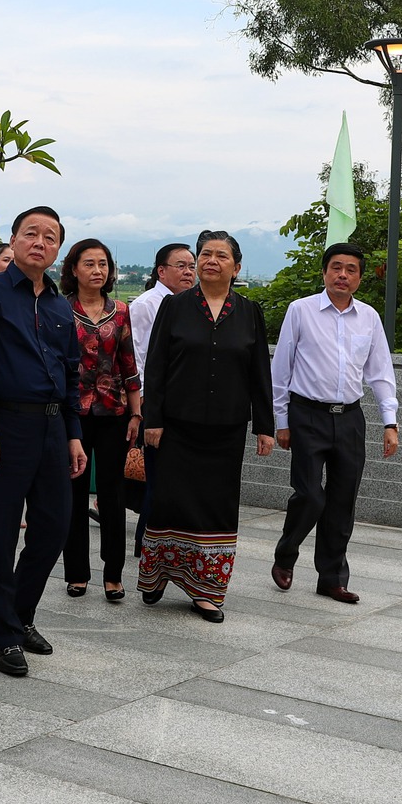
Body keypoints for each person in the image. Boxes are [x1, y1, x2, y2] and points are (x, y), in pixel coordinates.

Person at [0, 206, 86, 677]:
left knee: (54, 526)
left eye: (49, 236)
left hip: (53, 428)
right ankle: (5, 635)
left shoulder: (58, 305)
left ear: (58, 250)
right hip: (4, 426)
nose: (39, 241)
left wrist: (74, 434)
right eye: (30, 233)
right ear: (13, 240)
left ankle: (21, 613)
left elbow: (71, 376)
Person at [137, 230, 274, 623]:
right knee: (168, 501)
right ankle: (158, 577)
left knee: (216, 506)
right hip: (175, 427)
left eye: (221, 255)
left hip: (226, 430)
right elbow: (157, 366)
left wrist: (265, 425)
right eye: (205, 254)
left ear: (237, 267)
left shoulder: (249, 312)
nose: (211, 260)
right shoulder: (175, 307)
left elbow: (258, 372)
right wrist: (154, 420)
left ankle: (206, 591)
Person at [268, 242, 399, 604]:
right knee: (310, 495)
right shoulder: (301, 311)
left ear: (359, 277)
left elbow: (380, 372)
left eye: (351, 269)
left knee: (342, 502)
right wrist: (282, 420)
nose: (343, 275)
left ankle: (331, 578)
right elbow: (281, 369)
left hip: (351, 418)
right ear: (325, 272)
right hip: (307, 415)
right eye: (336, 267)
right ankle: (286, 553)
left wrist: (390, 421)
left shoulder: (369, 318)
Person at [60, 238, 140, 603]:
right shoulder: (58, 310)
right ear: (73, 269)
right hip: (72, 414)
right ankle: (76, 572)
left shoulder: (121, 311)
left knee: (112, 494)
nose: (97, 270)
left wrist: (137, 412)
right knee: (73, 494)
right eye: (89, 263)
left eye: (103, 264)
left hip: (113, 413)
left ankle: (113, 574)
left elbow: (129, 365)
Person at [127, 243, 196, 556]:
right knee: (156, 480)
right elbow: (138, 357)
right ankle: (146, 547)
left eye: (191, 266)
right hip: (154, 406)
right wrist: (141, 407)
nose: (188, 272)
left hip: (183, 406)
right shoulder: (146, 304)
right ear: (161, 271)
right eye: (180, 266)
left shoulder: (190, 303)